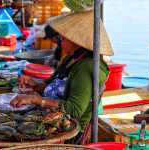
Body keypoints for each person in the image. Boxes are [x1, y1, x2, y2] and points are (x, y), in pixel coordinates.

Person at [10, 10, 114, 143]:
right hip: (49, 116)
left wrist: (35, 99)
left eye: (63, 39)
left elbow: (74, 110)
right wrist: (34, 84)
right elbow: (49, 85)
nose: (59, 42)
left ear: (76, 41)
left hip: (69, 131)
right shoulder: (71, 59)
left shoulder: (85, 68)